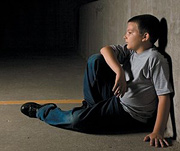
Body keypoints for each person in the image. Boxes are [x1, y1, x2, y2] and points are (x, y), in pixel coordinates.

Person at [21, 14, 173, 148]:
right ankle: (91, 108)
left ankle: (43, 111)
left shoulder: (155, 59)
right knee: (96, 60)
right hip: (117, 97)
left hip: (129, 113)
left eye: (129, 32)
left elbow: (164, 96)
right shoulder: (132, 50)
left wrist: (158, 131)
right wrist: (119, 71)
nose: (125, 36)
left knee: (75, 120)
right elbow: (105, 50)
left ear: (144, 37)